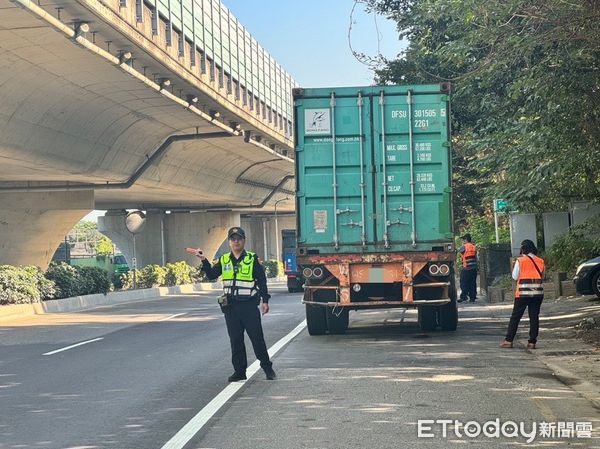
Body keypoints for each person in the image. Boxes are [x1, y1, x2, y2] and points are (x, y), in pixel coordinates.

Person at [186, 226, 276, 382]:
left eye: (239, 239)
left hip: (248, 306)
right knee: (236, 340)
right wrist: (203, 260)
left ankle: (267, 368)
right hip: (231, 307)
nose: (236, 242)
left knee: (257, 339)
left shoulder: (252, 259)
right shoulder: (224, 259)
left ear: (244, 241)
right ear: (229, 242)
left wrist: (265, 301)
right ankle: (240, 371)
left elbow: (262, 281)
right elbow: (212, 275)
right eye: (233, 239)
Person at [500, 239, 545, 349]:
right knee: (534, 317)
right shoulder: (540, 261)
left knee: (515, 317)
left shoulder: (520, 261)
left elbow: (515, 277)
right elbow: (542, 276)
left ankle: (509, 340)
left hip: (522, 294)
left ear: (523, 249)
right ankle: (532, 342)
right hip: (537, 293)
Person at [458, 233, 478, 303]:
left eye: (463, 239)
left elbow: (458, 251)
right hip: (473, 268)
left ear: (466, 240)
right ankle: (472, 298)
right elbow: (476, 257)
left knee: (463, 283)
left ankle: (464, 297)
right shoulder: (473, 246)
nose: (462, 241)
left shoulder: (464, 247)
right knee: (472, 283)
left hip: (466, 268)